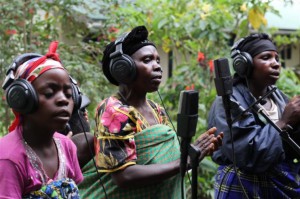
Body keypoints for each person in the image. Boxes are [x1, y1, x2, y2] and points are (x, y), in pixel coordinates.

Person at [78, 25, 223, 199]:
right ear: (124, 69)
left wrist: (195, 153)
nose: (157, 67)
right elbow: (124, 177)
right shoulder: (114, 110)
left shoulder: (157, 110)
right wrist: (184, 162)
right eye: (147, 60)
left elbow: (168, 163)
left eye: (157, 61)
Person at [208, 33, 300, 198]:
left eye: (277, 59)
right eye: (266, 58)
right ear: (244, 65)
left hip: (278, 185)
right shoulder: (229, 102)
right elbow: (248, 155)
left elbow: (291, 148)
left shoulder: (278, 98)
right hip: (241, 186)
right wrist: (284, 121)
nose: (275, 64)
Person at [0, 41, 83, 198]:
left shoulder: (67, 146)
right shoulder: (8, 158)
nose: (63, 100)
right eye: (50, 93)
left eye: (68, 94)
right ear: (23, 99)